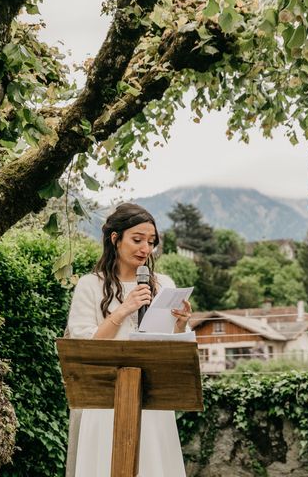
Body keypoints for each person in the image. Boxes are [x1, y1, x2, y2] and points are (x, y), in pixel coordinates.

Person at [64, 203, 192, 477]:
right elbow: (85, 346)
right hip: (105, 402)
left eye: (151, 242)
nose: (145, 248)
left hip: (151, 403)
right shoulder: (90, 285)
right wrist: (122, 311)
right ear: (115, 238)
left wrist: (181, 323)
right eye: (137, 239)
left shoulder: (164, 284)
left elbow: (172, 349)